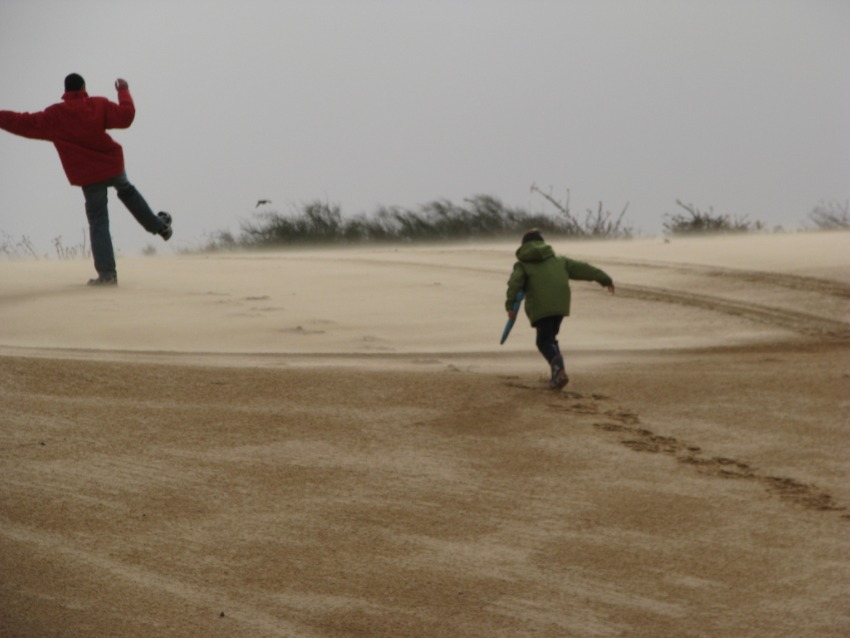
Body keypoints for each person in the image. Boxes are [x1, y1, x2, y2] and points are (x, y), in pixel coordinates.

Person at [0, 73, 172, 285]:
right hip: (112, 163)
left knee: (99, 222)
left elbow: (22, 121)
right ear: (83, 87)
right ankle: (160, 226)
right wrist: (123, 90)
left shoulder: (55, 115)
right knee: (127, 191)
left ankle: (108, 276)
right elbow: (126, 116)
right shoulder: (98, 104)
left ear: (66, 91)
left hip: (89, 175)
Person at [505, 229, 615, 389]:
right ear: (543, 243)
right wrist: (605, 279)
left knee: (542, 341)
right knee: (550, 338)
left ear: (523, 247)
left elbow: (514, 284)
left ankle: (559, 370)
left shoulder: (523, 265)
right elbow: (585, 269)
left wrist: (510, 306)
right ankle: (557, 372)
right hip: (560, 305)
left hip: (541, 307)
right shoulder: (560, 261)